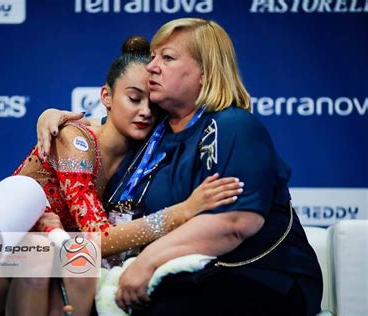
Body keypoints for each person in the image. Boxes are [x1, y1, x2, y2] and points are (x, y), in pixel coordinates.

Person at [37, 18, 323, 315]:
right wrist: (52, 115)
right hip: (186, 275)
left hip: (261, 277)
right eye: (152, 57)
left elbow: (235, 223)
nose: (151, 67)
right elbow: (102, 126)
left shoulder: (234, 125)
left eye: (168, 58)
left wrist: (147, 262)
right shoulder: (154, 132)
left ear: (205, 72)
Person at [0, 36, 242, 316]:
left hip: (53, 270)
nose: (146, 112)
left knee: (80, 262)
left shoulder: (144, 153)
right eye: (134, 98)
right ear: (106, 96)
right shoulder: (74, 140)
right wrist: (184, 211)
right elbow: (99, 236)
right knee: (47, 252)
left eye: (154, 104)